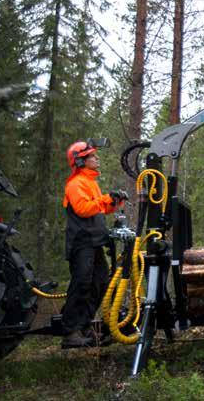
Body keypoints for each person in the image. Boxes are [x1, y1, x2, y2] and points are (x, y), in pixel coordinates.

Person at [61, 140, 127, 348]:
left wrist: (113, 201)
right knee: (82, 283)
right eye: (92, 156)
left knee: (99, 282)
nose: (96, 158)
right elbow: (83, 209)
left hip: (95, 242)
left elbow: (100, 209)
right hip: (82, 243)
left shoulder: (90, 182)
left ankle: (83, 325)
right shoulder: (75, 184)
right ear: (81, 161)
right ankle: (71, 331)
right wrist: (105, 199)